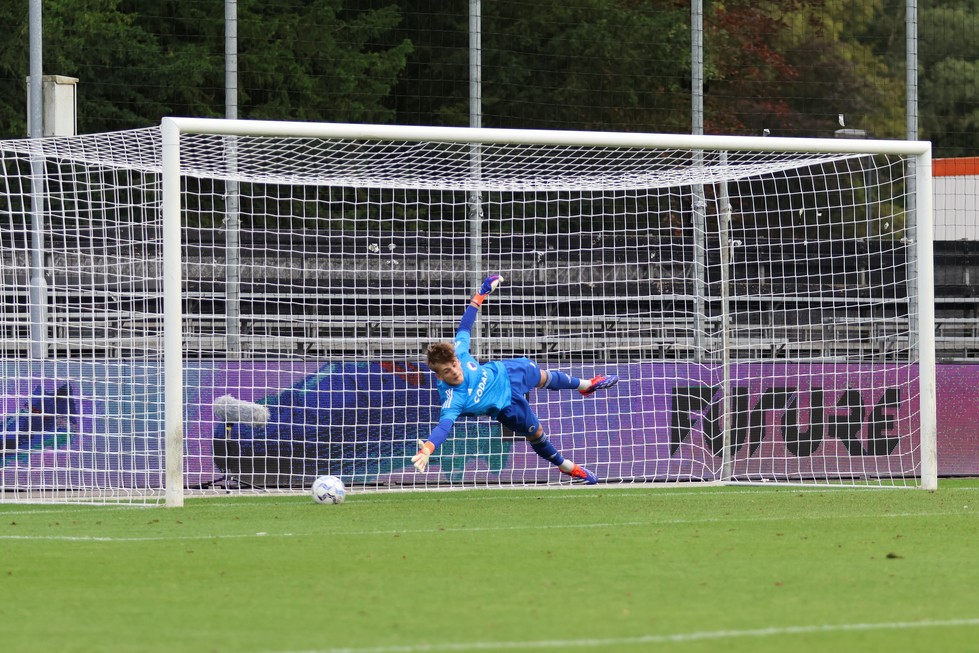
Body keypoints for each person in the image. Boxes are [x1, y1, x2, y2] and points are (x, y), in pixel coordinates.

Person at [412, 274, 619, 484]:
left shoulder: (459, 352)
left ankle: (586, 385)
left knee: (541, 375)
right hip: (507, 406)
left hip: (506, 371)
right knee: (536, 433)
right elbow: (443, 427)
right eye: (447, 371)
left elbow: (464, 327)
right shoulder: (452, 399)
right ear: (439, 375)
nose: (455, 371)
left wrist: (481, 294)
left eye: (454, 365)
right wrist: (428, 449)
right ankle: (568, 467)